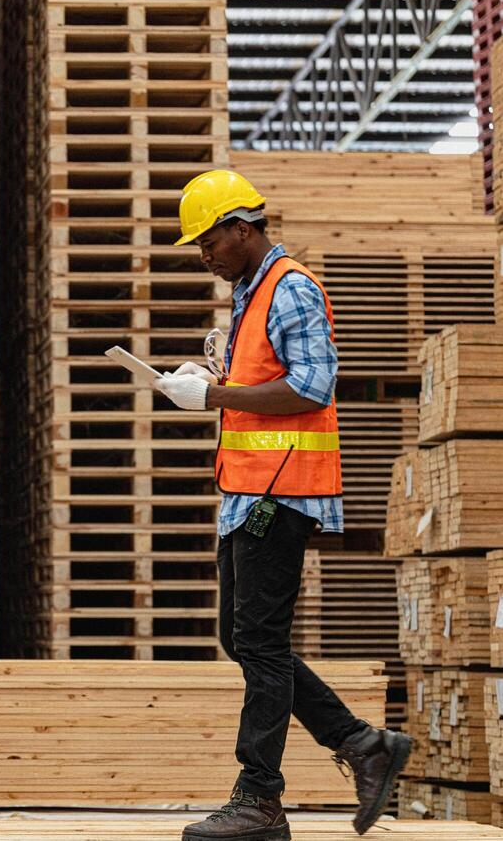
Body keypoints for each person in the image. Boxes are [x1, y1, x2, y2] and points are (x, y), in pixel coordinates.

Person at [154, 170, 412, 841]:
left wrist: (213, 399)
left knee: (260, 641)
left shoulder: (288, 287)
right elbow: (263, 384)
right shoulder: (248, 293)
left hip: (281, 489)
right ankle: (363, 744)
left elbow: (311, 386)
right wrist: (207, 382)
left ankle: (260, 799)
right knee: (240, 638)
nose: (204, 255)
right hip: (249, 491)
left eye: (209, 241)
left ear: (243, 229)